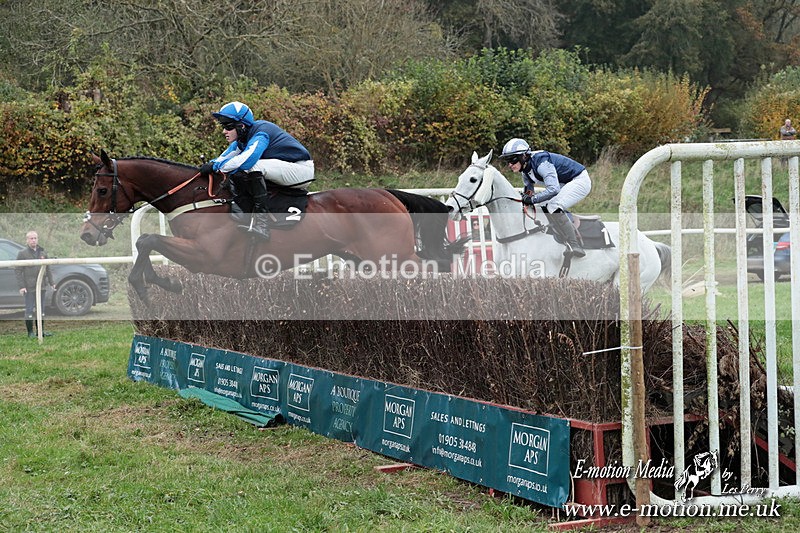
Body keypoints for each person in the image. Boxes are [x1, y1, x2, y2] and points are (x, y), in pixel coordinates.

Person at [199, 101, 314, 241]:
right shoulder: (242, 139)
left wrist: (215, 166)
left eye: (228, 127)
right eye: (223, 126)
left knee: (251, 166)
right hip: (286, 168)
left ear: (241, 126)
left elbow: (247, 160)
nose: (224, 131)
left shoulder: (261, 132)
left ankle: (262, 224)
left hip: (302, 170)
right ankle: (246, 214)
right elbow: (221, 159)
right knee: (235, 170)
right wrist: (210, 166)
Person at [498, 138, 591, 257]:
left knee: (553, 205)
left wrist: (532, 199)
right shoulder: (525, 170)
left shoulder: (542, 162)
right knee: (542, 205)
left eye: (512, 159)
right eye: (507, 161)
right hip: (564, 183)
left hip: (579, 180)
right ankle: (558, 235)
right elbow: (529, 191)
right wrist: (526, 200)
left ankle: (575, 245)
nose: (510, 164)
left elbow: (553, 189)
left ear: (524, 156)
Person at [15, 230, 55, 338]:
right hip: (29, 287)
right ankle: (30, 332)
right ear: (27, 240)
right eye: (31, 238)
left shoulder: (43, 252)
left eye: (35, 238)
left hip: (41, 286)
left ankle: (40, 331)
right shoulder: (22, 253)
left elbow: (48, 268)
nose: (33, 240)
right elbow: (18, 271)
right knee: (29, 310)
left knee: (41, 310)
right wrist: (22, 286)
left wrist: (52, 282)